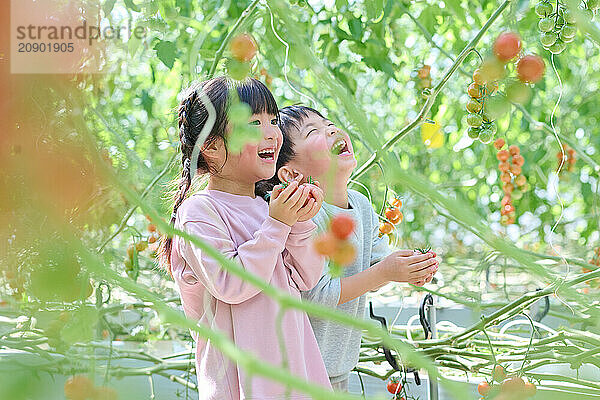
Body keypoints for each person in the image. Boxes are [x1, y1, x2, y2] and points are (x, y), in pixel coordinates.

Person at [158, 79, 331, 399]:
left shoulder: (267, 207)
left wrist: (300, 224)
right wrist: (279, 225)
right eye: (254, 123)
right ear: (211, 146)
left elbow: (307, 278)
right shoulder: (198, 213)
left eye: (273, 120)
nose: (271, 133)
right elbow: (231, 283)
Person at [256, 105, 439, 391]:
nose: (330, 129)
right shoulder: (304, 216)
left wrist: (407, 268)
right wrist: (385, 272)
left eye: (329, 124)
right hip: (299, 374)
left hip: (339, 367)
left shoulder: (361, 206)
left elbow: (376, 264)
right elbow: (316, 298)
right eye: (314, 131)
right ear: (290, 174)